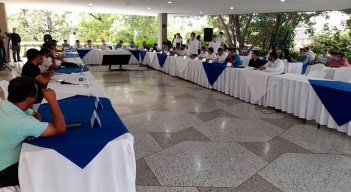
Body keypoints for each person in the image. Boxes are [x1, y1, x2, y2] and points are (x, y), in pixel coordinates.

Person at [0, 77, 66, 190]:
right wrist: (53, 101)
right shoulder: (20, 121)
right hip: (5, 173)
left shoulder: (7, 104)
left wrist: (32, 129)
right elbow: (60, 128)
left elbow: (36, 115)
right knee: (48, 169)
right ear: (30, 99)